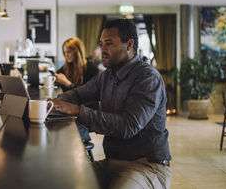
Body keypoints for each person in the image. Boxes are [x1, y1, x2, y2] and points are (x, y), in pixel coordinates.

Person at [51, 19, 171, 189]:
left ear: (129, 45)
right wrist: (50, 104)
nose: (103, 50)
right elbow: (78, 93)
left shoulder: (147, 78)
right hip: (112, 163)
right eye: (101, 44)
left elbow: (128, 126)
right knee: (60, 180)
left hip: (146, 167)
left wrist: (78, 111)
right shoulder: (106, 76)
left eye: (108, 44)